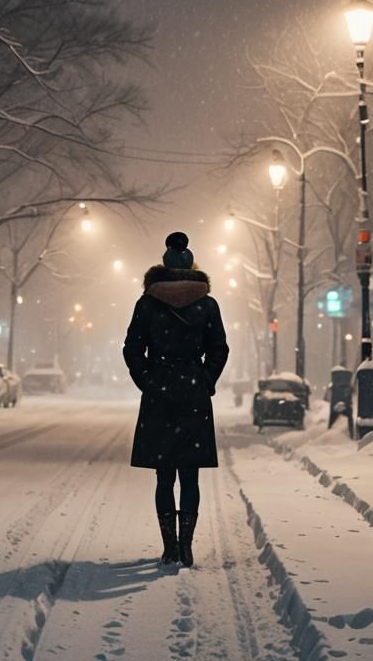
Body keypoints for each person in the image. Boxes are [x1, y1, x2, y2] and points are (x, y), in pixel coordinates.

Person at [123, 231, 229, 567]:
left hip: (160, 393)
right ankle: (187, 547)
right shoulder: (207, 303)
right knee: (191, 474)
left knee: (164, 474)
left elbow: (132, 348)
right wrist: (205, 379)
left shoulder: (148, 302)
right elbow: (219, 348)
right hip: (193, 392)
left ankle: (169, 546)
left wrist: (147, 380)